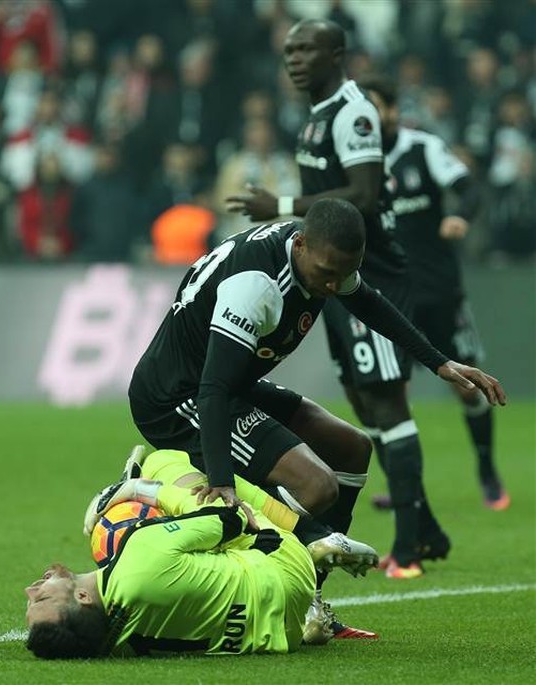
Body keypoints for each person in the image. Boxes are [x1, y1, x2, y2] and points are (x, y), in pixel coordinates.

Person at [128, 196, 505, 634]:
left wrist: (440, 363)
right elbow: (212, 390)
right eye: (327, 275)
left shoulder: (324, 258)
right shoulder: (257, 287)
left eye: (343, 274)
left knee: (352, 447)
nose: (333, 286)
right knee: (316, 485)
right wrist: (222, 481)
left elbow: (368, 302)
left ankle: (309, 602)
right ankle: (207, 557)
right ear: (301, 244)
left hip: (230, 382)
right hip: (178, 398)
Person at [224, 20, 502, 579]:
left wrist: (281, 200)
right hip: (334, 276)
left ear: (337, 55)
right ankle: (423, 526)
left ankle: (407, 548)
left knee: (385, 407)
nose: (295, 59)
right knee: (362, 401)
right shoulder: (318, 114)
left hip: (370, 272)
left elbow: (365, 195)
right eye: (289, 50)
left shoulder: (353, 112)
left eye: (307, 49)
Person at [357, 74, 509, 511]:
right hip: (387, 299)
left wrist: (460, 216)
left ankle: (487, 470)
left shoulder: (422, 148)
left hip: (440, 291)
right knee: (390, 396)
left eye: (377, 107)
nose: (369, 116)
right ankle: (407, 491)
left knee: (466, 386)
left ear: (391, 110)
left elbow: (469, 189)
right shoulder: (357, 160)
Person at [25, 452, 320, 659]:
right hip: (287, 567)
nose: (32, 589)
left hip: (283, 634)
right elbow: (229, 518)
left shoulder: (110, 644)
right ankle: (316, 534)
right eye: (43, 597)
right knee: (167, 462)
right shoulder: (141, 553)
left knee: (189, 565)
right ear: (83, 598)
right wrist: (136, 490)